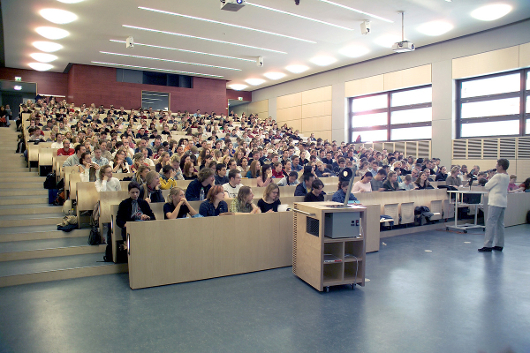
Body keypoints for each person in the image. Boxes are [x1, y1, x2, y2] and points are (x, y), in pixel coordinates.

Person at [479, 159, 511, 252]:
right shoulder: (506, 176)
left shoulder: (497, 176)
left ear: (501, 166)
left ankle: (487, 245)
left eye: (497, 165)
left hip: (495, 202)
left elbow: (487, 186)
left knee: (490, 223)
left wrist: (490, 177)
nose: (496, 166)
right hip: (503, 201)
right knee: (500, 224)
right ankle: (499, 244)